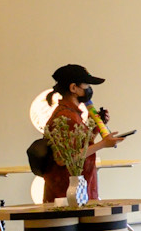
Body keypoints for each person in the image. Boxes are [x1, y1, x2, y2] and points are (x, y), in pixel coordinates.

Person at [41, 64, 124, 205]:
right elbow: (64, 159)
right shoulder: (65, 117)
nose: (89, 89)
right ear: (73, 88)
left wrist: (95, 126)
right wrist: (103, 144)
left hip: (78, 194)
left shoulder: (73, 114)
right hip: (67, 198)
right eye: (86, 84)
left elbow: (82, 147)